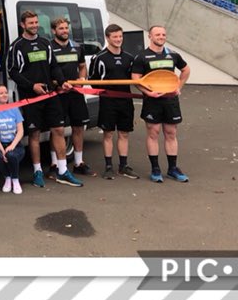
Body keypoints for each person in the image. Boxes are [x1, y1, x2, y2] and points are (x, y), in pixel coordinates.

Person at [6, 10, 82, 187]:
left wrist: (62, 82)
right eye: (30, 23)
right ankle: (37, 171)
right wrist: (32, 86)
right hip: (31, 98)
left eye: (36, 22)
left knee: (59, 130)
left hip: (50, 95)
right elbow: (12, 72)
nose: (34, 26)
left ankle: (63, 170)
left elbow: (54, 66)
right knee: (35, 134)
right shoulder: (16, 46)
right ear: (22, 25)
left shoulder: (45, 43)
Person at [132, 25, 190, 183]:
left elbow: (185, 70)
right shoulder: (141, 56)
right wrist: (147, 92)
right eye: (157, 34)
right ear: (150, 36)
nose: (161, 36)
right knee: (153, 133)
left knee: (171, 133)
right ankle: (155, 169)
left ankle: (172, 169)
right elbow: (136, 78)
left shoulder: (172, 55)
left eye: (163, 34)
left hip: (170, 100)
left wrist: (178, 86)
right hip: (152, 101)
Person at [88, 24, 139, 179]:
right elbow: (92, 81)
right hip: (108, 101)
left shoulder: (130, 58)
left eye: (120, 37)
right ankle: (108, 166)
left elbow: (137, 79)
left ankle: (123, 166)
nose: (118, 40)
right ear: (107, 38)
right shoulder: (99, 58)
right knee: (108, 133)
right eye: (115, 37)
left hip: (125, 101)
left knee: (124, 133)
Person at [48, 16, 91, 176]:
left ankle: (79, 163)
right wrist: (58, 84)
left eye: (66, 28)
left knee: (78, 127)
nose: (65, 31)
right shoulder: (49, 48)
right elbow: (48, 72)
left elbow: (82, 66)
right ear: (54, 31)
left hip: (75, 93)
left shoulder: (77, 47)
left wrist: (82, 79)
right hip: (58, 94)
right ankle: (54, 163)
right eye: (61, 29)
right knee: (57, 129)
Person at [0, 82, 25, 194]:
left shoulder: (14, 108)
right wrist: (2, 151)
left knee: (11, 155)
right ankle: (7, 178)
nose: (4, 95)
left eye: (6, 93)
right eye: (1, 93)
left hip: (14, 144)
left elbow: (20, 130)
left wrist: (12, 146)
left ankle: (15, 180)